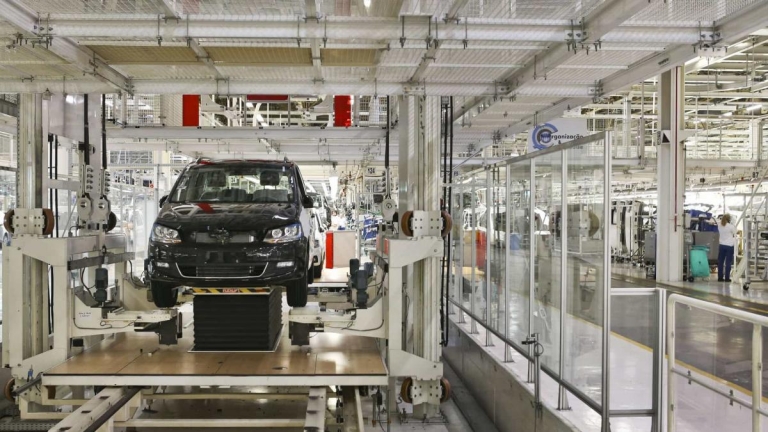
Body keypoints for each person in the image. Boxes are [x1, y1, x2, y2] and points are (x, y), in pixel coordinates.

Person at [714, 214, 738, 282]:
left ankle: (720, 277)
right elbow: (735, 232)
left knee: (720, 262)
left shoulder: (719, 225)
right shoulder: (731, 226)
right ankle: (727, 278)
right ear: (729, 219)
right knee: (728, 262)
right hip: (729, 246)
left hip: (722, 245)